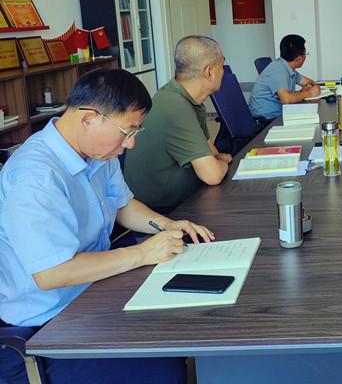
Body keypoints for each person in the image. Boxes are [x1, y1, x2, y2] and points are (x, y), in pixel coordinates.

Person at [0, 68, 214, 384]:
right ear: (89, 119)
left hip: (93, 292)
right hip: (45, 328)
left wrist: (167, 224)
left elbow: (122, 205)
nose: (130, 144)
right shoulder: (35, 177)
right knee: (162, 365)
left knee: (182, 320)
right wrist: (143, 253)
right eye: (127, 131)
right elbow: (52, 274)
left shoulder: (98, 152)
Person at [124, 35, 232, 214]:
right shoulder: (175, 106)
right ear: (209, 72)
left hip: (186, 199)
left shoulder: (186, 98)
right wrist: (223, 162)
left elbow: (212, 152)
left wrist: (218, 160)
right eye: (222, 64)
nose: (224, 71)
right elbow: (213, 175)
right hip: (165, 211)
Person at [248, 34, 320, 121]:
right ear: (299, 59)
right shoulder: (278, 70)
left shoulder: (287, 67)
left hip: (280, 114)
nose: (305, 57)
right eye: (305, 54)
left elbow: (310, 83)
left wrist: (303, 90)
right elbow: (286, 99)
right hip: (267, 120)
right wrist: (308, 93)